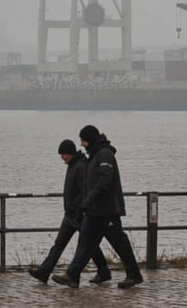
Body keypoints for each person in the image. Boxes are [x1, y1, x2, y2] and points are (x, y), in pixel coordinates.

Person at [53, 124, 144, 290]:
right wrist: (85, 205)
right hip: (94, 211)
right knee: (85, 243)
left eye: (83, 140)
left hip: (108, 210)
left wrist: (88, 200)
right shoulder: (93, 156)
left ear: (90, 140)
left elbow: (105, 181)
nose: (81, 144)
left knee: (119, 243)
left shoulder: (105, 155)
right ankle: (72, 275)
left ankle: (134, 274)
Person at [28, 139, 112, 285]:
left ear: (71, 153)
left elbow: (84, 189)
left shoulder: (80, 166)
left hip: (78, 213)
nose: (62, 157)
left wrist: (77, 207)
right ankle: (44, 271)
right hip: (70, 214)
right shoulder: (73, 165)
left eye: (64, 154)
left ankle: (102, 271)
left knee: (88, 245)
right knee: (62, 244)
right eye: (61, 155)